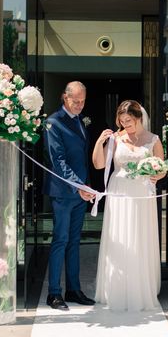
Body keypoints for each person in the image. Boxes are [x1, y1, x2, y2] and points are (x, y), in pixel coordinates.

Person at [92, 100, 165, 311]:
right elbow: (99, 164)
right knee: (120, 236)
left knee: (139, 237)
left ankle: (140, 289)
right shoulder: (116, 138)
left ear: (139, 118)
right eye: (122, 121)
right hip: (119, 192)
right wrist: (100, 142)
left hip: (142, 193)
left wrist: (156, 174)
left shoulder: (153, 140)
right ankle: (116, 288)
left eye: (129, 121)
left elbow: (162, 168)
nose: (126, 125)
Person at [43, 81, 96, 310]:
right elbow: (59, 162)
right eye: (76, 101)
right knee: (60, 241)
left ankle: (73, 290)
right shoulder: (53, 123)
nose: (80, 105)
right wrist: (79, 186)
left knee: (75, 242)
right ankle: (54, 293)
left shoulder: (80, 122)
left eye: (83, 101)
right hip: (63, 193)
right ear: (65, 98)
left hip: (80, 194)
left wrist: (87, 187)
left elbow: (82, 159)